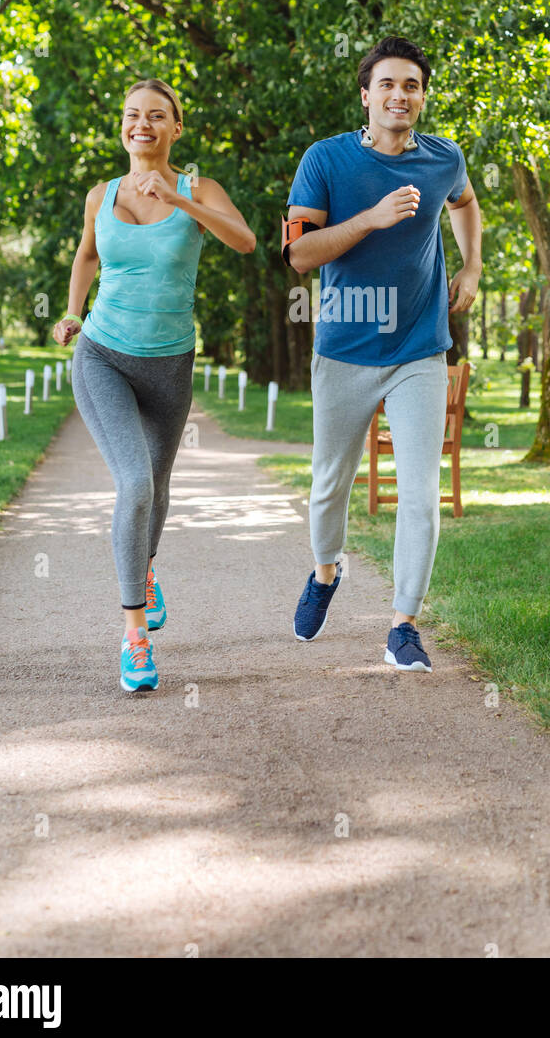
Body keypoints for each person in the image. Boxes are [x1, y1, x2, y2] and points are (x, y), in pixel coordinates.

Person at [284, 36, 482, 672]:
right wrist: (371, 218)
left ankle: (403, 625)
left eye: (413, 86)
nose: (401, 95)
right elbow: (299, 257)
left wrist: (472, 265)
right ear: (366, 96)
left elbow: (467, 203)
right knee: (328, 486)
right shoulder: (325, 160)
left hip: (420, 350)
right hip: (344, 348)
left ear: (422, 97)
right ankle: (324, 572)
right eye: (389, 85)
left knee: (419, 493)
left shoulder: (443, 159)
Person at [53, 79, 255, 693]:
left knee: (159, 490)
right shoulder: (102, 194)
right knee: (135, 483)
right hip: (103, 355)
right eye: (133, 115)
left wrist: (178, 198)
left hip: (169, 363)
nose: (142, 124)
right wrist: (72, 309)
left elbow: (244, 242)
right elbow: (88, 255)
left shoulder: (200, 189)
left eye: (157, 116)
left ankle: (144, 571)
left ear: (176, 128)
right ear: (123, 124)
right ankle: (134, 637)